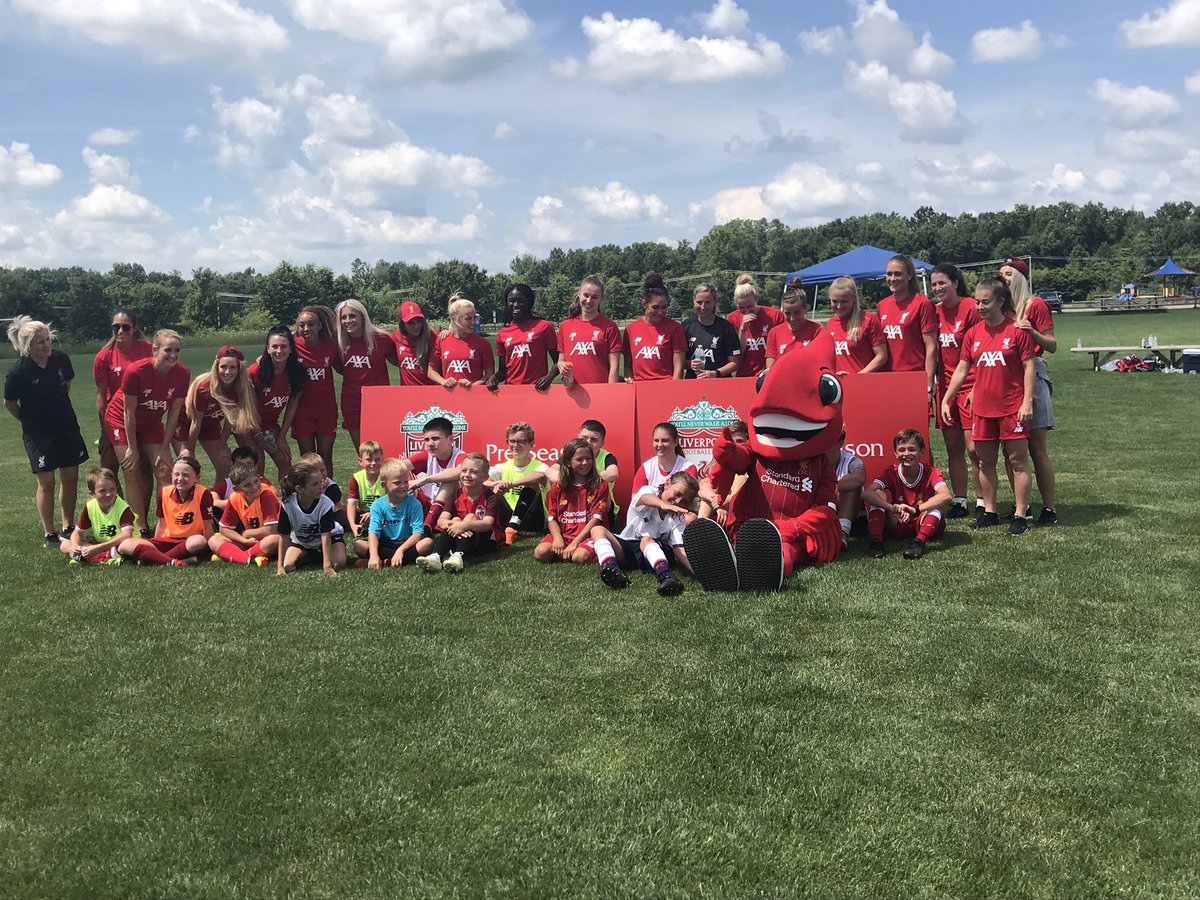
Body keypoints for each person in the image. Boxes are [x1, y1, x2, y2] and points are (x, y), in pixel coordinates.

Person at [941, 278, 1036, 536]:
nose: (980, 307)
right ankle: (990, 512)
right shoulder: (973, 334)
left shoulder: (1017, 330)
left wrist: (1027, 401)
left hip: (1012, 407)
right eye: (977, 302)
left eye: (986, 302)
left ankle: (1020, 514)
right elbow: (962, 369)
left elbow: (1029, 366)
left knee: (1017, 461)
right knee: (985, 462)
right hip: (982, 409)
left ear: (1000, 301)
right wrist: (947, 398)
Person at [5, 316, 89, 548]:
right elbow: (10, 404)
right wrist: (29, 420)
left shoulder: (61, 360)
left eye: (48, 339)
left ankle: (68, 527)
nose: (47, 344)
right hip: (38, 434)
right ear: (28, 346)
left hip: (66, 426)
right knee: (47, 481)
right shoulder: (18, 372)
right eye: (41, 342)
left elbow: (66, 386)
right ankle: (49, 534)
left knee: (70, 477)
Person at [103, 328, 189, 537]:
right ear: (155, 350)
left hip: (151, 424)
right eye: (168, 350)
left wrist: (164, 447)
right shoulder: (136, 371)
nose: (173, 355)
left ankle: (166, 523)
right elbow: (128, 412)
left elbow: (174, 413)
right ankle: (140, 526)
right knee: (131, 469)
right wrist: (132, 448)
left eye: (177, 350)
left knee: (164, 469)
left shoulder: (182, 374)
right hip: (121, 421)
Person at [1000, 256, 1058, 526]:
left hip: (1033, 374)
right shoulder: (1001, 307)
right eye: (1001, 274)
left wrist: (1032, 331)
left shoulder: (1035, 305)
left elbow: (1052, 345)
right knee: (1011, 450)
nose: (1004, 278)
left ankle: (1049, 508)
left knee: (1036, 447)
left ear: (1021, 278)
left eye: (1009, 274)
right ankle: (1021, 506)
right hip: (1006, 377)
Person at [590, 471, 699, 596]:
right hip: (630, 547)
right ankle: (612, 570)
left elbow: (678, 549)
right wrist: (662, 505)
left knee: (646, 539)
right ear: (667, 484)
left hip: (656, 553)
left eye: (684, 501)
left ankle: (667, 577)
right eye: (677, 494)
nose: (678, 501)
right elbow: (644, 498)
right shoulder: (649, 491)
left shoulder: (678, 517)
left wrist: (696, 571)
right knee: (597, 530)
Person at [930, 263, 982, 519]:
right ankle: (960, 500)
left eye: (942, 283)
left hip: (971, 384)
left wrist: (980, 384)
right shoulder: (935, 312)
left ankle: (983, 501)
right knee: (953, 448)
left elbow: (983, 345)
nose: (937, 288)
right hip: (945, 387)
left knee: (974, 449)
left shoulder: (971, 307)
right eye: (934, 284)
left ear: (956, 283)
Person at [861, 429, 952, 560]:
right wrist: (891, 507)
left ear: (922, 452)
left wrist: (915, 510)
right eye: (902, 450)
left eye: (912, 449)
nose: (906, 454)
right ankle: (876, 542)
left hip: (922, 519)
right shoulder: (891, 472)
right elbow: (867, 493)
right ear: (895, 453)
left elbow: (946, 496)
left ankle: (919, 543)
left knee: (936, 505)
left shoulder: (931, 471)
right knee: (878, 495)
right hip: (899, 520)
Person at [180, 345, 259, 491]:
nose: (227, 372)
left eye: (232, 367)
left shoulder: (240, 387)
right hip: (186, 425)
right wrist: (190, 450)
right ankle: (185, 502)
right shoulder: (204, 387)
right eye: (223, 367)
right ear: (216, 366)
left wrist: (222, 445)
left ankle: (216, 499)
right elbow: (196, 422)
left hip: (210, 426)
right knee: (186, 467)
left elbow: (230, 420)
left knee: (224, 463)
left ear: (239, 369)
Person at [92, 309, 151, 485]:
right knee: (109, 470)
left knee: (144, 468)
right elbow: (101, 398)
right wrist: (105, 430)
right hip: (115, 418)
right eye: (116, 327)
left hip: (142, 417)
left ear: (135, 328)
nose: (120, 331)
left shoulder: (148, 350)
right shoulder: (104, 356)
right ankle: (117, 505)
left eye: (125, 327)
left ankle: (140, 505)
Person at [117, 456, 211, 566]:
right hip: (167, 540)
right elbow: (161, 523)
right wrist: (155, 541)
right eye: (176, 474)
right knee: (125, 544)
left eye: (186, 475)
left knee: (199, 541)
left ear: (197, 477)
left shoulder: (203, 493)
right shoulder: (165, 492)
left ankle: (154, 559)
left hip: (189, 540)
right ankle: (171, 561)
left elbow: (208, 526)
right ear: (171, 475)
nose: (180, 478)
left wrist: (210, 549)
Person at [417, 454, 502, 573]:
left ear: (484, 477)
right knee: (456, 520)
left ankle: (458, 556)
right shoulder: (456, 495)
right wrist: (457, 525)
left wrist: (465, 525)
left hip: (486, 542)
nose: (467, 475)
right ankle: (436, 556)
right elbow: (441, 521)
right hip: (462, 539)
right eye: (464, 470)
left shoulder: (490, 497)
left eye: (473, 472)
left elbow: (487, 524)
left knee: (470, 518)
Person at [246, 325, 306, 484]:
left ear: (291, 348)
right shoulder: (254, 372)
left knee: (285, 461)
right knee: (257, 463)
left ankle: (286, 498)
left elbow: (292, 406)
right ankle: (256, 499)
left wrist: (281, 436)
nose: (279, 351)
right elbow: (247, 408)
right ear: (267, 348)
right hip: (248, 425)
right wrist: (259, 435)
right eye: (274, 346)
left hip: (270, 425)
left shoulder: (297, 372)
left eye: (283, 346)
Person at [335, 298, 396, 452]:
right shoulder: (339, 341)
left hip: (378, 401)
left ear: (362, 317)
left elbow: (400, 360)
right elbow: (340, 367)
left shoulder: (381, 339)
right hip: (351, 402)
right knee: (363, 452)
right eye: (343, 317)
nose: (348, 321)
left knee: (383, 449)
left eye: (352, 316)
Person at [534, 437, 608, 565]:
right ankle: (563, 551)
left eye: (588, 458)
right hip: (564, 535)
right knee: (540, 552)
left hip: (587, 536)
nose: (585, 463)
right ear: (568, 462)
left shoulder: (600, 485)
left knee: (580, 557)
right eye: (579, 459)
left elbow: (596, 520)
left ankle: (579, 551)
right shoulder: (558, 487)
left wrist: (575, 543)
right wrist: (558, 538)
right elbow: (552, 518)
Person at [354, 457, 431, 569]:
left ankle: (387, 561)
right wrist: (374, 555)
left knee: (427, 543)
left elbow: (418, 533)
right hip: (386, 543)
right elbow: (374, 532)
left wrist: (400, 550)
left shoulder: (414, 504)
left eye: (406, 482)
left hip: (407, 544)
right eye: (397, 483)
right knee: (358, 545)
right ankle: (393, 560)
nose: (403, 486)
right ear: (384, 485)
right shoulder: (377, 505)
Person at [877, 254, 937, 396]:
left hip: (914, 378)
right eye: (889, 274)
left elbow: (931, 347)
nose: (892, 279)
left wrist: (928, 385)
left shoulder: (922, 303)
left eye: (898, 274)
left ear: (909, 275)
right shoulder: (882, 305)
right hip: (887, 378)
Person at [293, 305, 340, 478]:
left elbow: (344, 368)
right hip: (302, 411)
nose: (306, 328)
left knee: (325, 456)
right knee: (307, 458)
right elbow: (274, 354)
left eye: (311, 324)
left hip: (326, 410)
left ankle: (328, 491)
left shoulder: (331, 346)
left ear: (319, 326)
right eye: (302, 325)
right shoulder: (292, 346)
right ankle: (309, 491)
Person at [276, 461, 346, 577]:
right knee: (288, 566)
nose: (321, 486)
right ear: (299, 489)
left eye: (321, 481)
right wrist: (280, 567)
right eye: (314, 484)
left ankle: (320, 556)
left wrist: (327, 566)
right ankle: (311, 554)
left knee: (339, 562)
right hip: (302, 542)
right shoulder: (287, 505)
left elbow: (326, 536)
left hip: (330, 537)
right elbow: (284, 536)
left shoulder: (326, 504)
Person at [208, 460, 280, 566]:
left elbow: (271, 530)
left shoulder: (266, 494)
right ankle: (249, 559)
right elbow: (224, 529)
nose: (254, 487)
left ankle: (232, 555)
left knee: (274, 540)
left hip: (269, 537)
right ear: (237, 489)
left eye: (256, 481)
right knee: (214, 540)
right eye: (248, 485)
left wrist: (246, 534)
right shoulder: (235, 498)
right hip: (250, 541)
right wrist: (243, 540)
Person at [489, 421, 549, 545]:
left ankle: (512, 527)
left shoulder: (541, 466)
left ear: (531, 443)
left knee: (532, 483)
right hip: (507, 516)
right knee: (490, 489)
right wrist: (497, 484)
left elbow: (539, 475)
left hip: (532, 520)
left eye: (521, 441)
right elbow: (482, 482)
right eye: (512, 441)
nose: (515, 445)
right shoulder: (502, 468)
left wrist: (511, 484)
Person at [60, 467, 134, 565]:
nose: (108, 494)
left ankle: (88, 557)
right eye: (103, 491)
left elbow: (127, 535)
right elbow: (77, 532)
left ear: (116, 489)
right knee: (64, 544)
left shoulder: (123, 508)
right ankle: (97, 556)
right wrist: (75, 546)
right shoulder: (90, 506)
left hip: (119, 544)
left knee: (125, 546)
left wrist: (97, 548)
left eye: (112, 489)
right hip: (101, 545)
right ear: (92, 494)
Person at [490, 283, 558, 390]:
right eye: (512, 301)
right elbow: (503, 371)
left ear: (529, 302)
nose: (516, 305)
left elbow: (558, 361)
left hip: (537, 390)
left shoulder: (544, 326)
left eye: (521, 301)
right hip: (512, 391)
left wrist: (549, 377)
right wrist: (494, 378)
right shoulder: (502, 334)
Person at [557, 275, 622, 386]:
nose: (588, 300)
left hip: (600, 390)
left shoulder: (609, 326)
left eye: (594, 297)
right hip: (573, 391)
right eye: (586, 295)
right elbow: (561, 360)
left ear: (601, 298)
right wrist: (561, 365)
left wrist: (611, 392)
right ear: (579, 294)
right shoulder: (565, 326)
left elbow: (614, 366)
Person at [623, 272, 686, 381]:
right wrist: (629, 379)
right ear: (644, 304)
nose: (660, 312)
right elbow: (627, 365)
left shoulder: (675, 327)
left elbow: (678, 367)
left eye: (664, 307)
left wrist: (674, 388)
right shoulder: (631, 329)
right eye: (655, 307)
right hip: (640, 386)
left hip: (665, 385)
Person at [408, 416, 468, 529]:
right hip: (428, 505)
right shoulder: (426, 455)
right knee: (401, 479)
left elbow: (459, 471)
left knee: (450, 482)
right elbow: (396, 467)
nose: (430, 444)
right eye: (426, 440)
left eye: (435, 438)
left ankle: (427, 526)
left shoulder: (460, 456)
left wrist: (425, 480)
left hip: (450, 509)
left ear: (450, 439)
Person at [823, 276, 888, 375]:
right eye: (834, 301)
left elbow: (881, 356)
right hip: (839, 382)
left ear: (853, 298)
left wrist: (857, 377)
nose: (839, 306)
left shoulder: (868, 319)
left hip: (863, 381)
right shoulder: (830, 323)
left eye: (844, 301)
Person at [429, 293, 494, 390]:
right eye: (468, 318)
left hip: (473, 396)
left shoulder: (482, 343)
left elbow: (490, 373)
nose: (474, 322)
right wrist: (443, 381)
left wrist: (472, 386)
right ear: (454, 318)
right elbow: (430, 370)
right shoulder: (442, 340)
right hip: (448, 396)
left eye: (475, 317)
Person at [727, 273, 784, 378]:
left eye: (750, 306)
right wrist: (742, 330)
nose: (746, 311)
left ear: (756, 299)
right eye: (742, 308)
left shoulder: (775, 315)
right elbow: (738, 355)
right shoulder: (733, 318)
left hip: (769, 375)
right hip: (745, 375)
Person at [764, 279, 833, 367]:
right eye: (788, 313)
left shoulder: (818, 331)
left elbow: (823, 363)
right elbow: (770, 369)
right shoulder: (774, 333)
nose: (792, 318)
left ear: (805, 309)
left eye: (797, 313)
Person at [683, 283, 741, 378]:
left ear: (715, 302)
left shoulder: (726, 327)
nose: (703, 307)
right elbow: (676, 360)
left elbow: (735, 363)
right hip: (693, 381)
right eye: (699, 302)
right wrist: (689, 364)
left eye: (707, 302)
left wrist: (715, 373)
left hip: (719, 382)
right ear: (693, 301)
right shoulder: (686, 326)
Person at [826, 429, 866, 547]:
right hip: (824, 514)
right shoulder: (813, 461)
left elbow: (859, 478)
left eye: (829, 443)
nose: (824, 448)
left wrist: (829, 488)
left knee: (849, 482)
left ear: (840, 443)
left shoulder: (851, 461)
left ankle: (843, 533)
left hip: (852, 519)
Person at [632, 422, 698, 494]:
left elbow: (686, 497)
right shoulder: (646, 468)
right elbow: (635, 497)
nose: (660, 445)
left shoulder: (688, 468)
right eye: (656, 440)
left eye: (665, 440)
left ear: (675, 442)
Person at [390, 301, 437, 387]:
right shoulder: (396, 336)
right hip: (407, 392)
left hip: (430, 390)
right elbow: (390, 355)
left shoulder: (434, 337)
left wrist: (447, 333)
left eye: (419, 321)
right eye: (411, 323)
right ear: (402, 324)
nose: (416, 326)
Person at [346, 440, 386, 540]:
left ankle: (370, 528)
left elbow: (392, 503)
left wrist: (373, 513)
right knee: (340, 515)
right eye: (369, 460)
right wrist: (352, 525)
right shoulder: (356, 478)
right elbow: (352, 504)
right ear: (361, 461)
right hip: (363, 514)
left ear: (382, 459)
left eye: (377, 459)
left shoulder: (387, 476)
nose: (373, 463)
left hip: (383, 513)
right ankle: (359, 527)